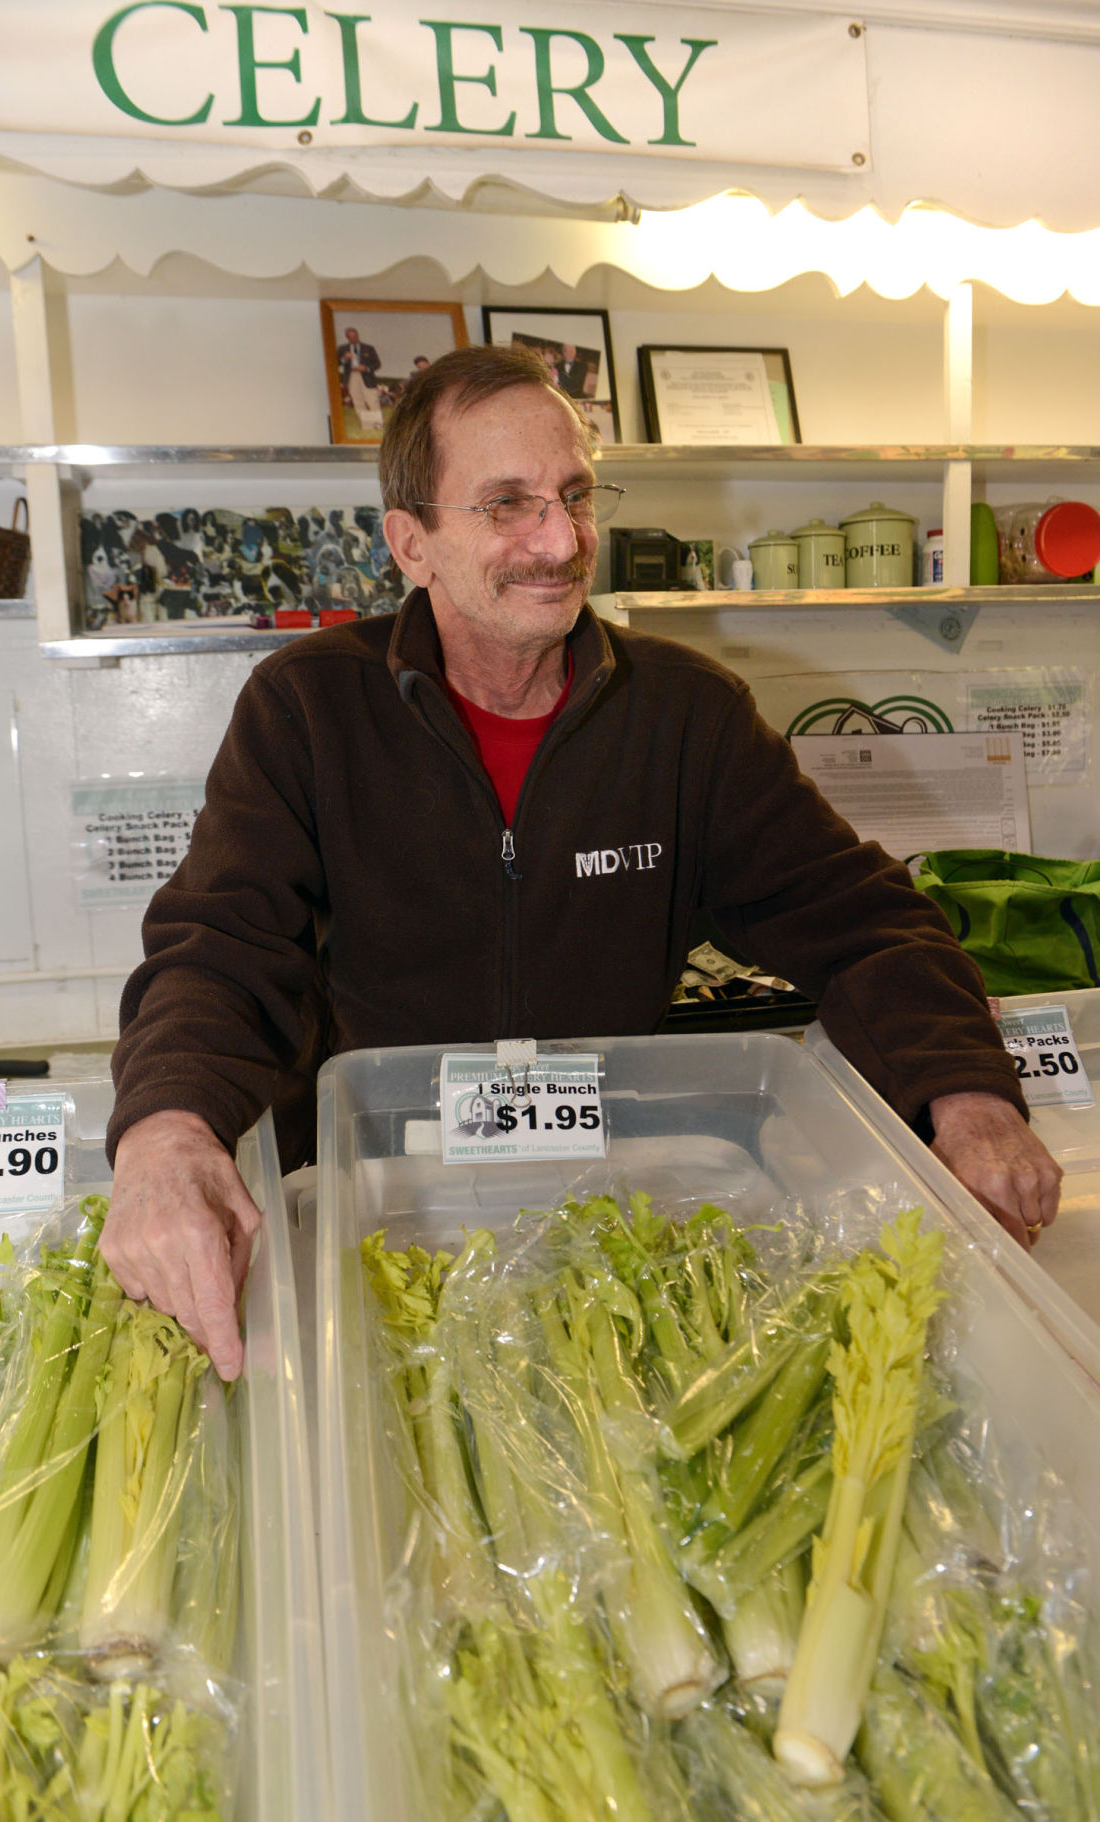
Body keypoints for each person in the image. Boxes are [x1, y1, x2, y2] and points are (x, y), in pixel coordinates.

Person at [101, 343, 1061, 1380]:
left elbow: (864, 919)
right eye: (507, 503)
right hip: (376, 1213)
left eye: (572, 495)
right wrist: (164, 1132)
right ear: (411, 543)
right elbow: (219, 944)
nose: (559, 540)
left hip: (606, 1215)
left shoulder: (687, 716)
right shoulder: (309, 708)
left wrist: (967, 1093)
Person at [338, 325, 382, 429]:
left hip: (367, 377)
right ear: (347, 337)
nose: (354, 338)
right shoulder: (342, 349)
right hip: (351, 377)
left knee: (372, 400)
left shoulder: (369, 348)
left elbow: (377, 364)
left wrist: (366, 368)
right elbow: (335, 363)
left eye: (355, 336)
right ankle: (368, 425)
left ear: (358, 335)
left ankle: (378, 424)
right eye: (351, 337)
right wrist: (344, 358)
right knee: (358, 401)